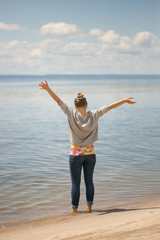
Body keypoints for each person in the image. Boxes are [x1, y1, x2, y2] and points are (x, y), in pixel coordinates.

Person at [39, 80, 136, 213]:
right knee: (89, 181)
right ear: (86, 104)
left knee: (75, 183)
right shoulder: (94, 114)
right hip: (90, 153)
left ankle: (74, 210)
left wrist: (48, 89)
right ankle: (89, 207)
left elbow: (58, 101)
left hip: (75, 154)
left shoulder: (70, 113)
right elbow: (110, 106)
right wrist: (125, 100)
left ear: (75, 105)